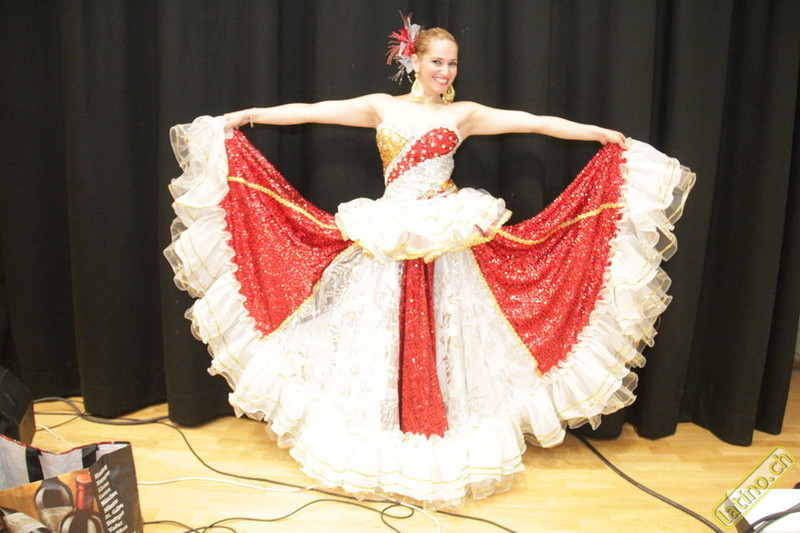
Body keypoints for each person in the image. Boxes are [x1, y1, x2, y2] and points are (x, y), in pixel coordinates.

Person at [165, 17, 694, 508]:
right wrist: (246, 117)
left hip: (446, 230)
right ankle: (382, 437)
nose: (445, 71)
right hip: (390, 230)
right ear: (414, 61)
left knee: (448, 336)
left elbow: (533, 123)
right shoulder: (380, 106)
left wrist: (598, 134)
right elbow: (310, 110)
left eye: (452, 63)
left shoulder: (464, 115)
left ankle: (439, 433)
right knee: (379, 337)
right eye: (437, 61)